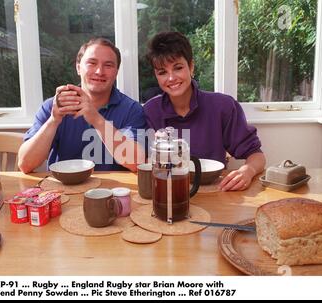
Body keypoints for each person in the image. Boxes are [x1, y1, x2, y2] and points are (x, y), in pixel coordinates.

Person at [144, 31, 265, 191]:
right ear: (156, 76)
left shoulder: (223, 106)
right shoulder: (151, 111)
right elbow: (146, 162)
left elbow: (257, 155)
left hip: (215, 192)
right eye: (162, 72)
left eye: (178, 68)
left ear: (191, 66)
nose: (171, 78)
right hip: (170, 192)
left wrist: (247, 171)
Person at [18, 38, 146, 173]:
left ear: (116, 72)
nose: (99, 71)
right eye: (92, 63)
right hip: (63, 189)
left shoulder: (132, 110)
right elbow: (25, 165)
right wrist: (53, 121)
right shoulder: (52, 107)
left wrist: (95, 119)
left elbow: (137, 163)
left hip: (112, 191)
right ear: (78, 68)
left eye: (108, 65)